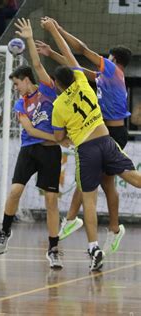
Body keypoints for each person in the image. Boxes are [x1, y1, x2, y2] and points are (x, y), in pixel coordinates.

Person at [41, 17, 141, 271]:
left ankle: (92, 237)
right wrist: (53, 50)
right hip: (106, 136)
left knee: (94, 195)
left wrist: (58, 29)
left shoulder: (108, 71)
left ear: (112, 58)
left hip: (98, 140)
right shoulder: (88, 82)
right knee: (123, 180)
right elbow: (76, 68)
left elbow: (81, 52)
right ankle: (95, 225)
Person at [0, 18, 69, 269]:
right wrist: (60, 138)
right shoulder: (20, 104)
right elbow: (30, 129)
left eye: (17, 84)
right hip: (29, 149)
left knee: (51, 200)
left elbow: (37, 63)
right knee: (15, 191)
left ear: (26, 79)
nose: (15, 89)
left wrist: (29, 37)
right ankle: (5, 231)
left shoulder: (47, 90)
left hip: (50, 153)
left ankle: (54, 248)